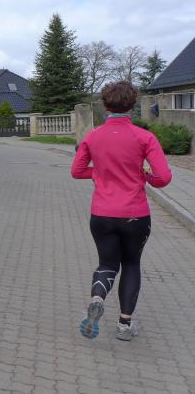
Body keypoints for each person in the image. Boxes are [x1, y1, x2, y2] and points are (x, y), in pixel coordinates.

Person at [72, 81, 172, 340]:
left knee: (107, 264)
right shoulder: (145, 137)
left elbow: (77, 171)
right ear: (132, 106)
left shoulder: (92, 136)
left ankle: (97, 298)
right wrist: (144, 175)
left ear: (105, 106)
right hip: (135, 215)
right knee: (130, 264)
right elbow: (163, 177)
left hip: (102, 214)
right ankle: (124, 326)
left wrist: (101, 173)